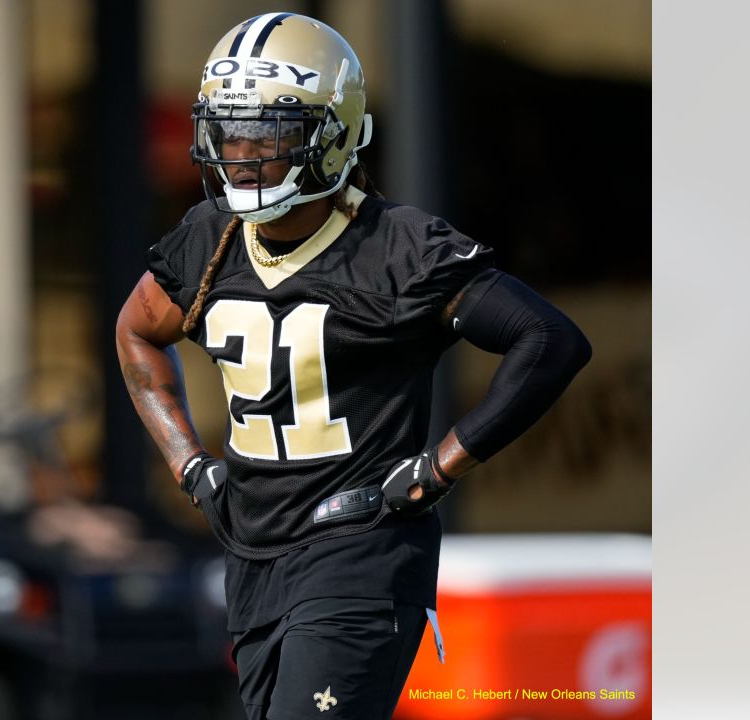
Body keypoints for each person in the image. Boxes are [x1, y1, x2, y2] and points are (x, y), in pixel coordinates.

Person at [116, 13, 591, 720]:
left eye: (271, 133)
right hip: (251, 556)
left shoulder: (399, 249)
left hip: (360, 553)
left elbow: (548, 340)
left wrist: (441, 466)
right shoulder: (208, 240)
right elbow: (135, 332)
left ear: (331, 135)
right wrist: (190, 463)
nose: (243, 154)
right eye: (230, 129)